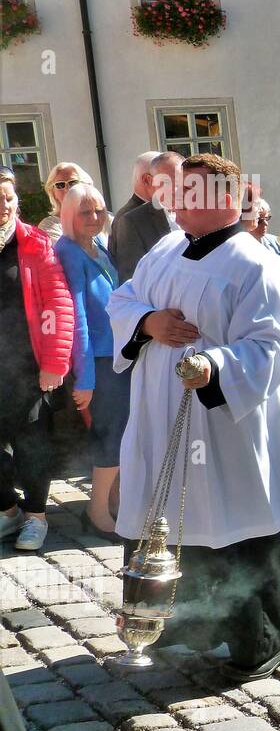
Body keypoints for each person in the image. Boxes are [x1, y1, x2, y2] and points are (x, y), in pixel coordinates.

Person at [107, 153, 280, 681]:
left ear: (226, 199)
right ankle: (178, 627)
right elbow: (122, 301)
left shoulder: (258, 263)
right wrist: (148, 321)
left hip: (230, 430)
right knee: (171, 522)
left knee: (240, 528)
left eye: (189, 193)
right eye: (176, 191)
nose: (175, 201)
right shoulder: (164, 250)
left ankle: (259, 637)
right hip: (163, 420)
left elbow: (276, 347)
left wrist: (216, 365)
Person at [0, 167, 73, 553]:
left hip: (28, 367)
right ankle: (8, 509)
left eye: (8, 198)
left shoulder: (35, 243)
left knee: (32, 445)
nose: (3, 206)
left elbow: (59, 303)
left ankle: (36, 516)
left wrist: (55, 363)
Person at [55, 183, 131, 535]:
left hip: (116, 356)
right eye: (85, 212)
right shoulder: (69, 251)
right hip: (98, 362)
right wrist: (84, 378)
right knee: (109, 435)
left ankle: (113, 503)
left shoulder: (99, 245)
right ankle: (97, 510)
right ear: (69, 215)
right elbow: (78, 318)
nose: (95, 217)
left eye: (99, 210)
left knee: (120, 432)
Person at [109, 150, 171, 283]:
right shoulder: (128, 219)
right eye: (168, 180)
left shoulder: (162, 209)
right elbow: (131, 276)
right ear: (148, 180)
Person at [38, 162, 93, 239]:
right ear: (53, 192)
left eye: (73, 183)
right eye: (60, 185)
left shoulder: (104, 218)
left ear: (86, 186)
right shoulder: (49, 225)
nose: (67, 189)